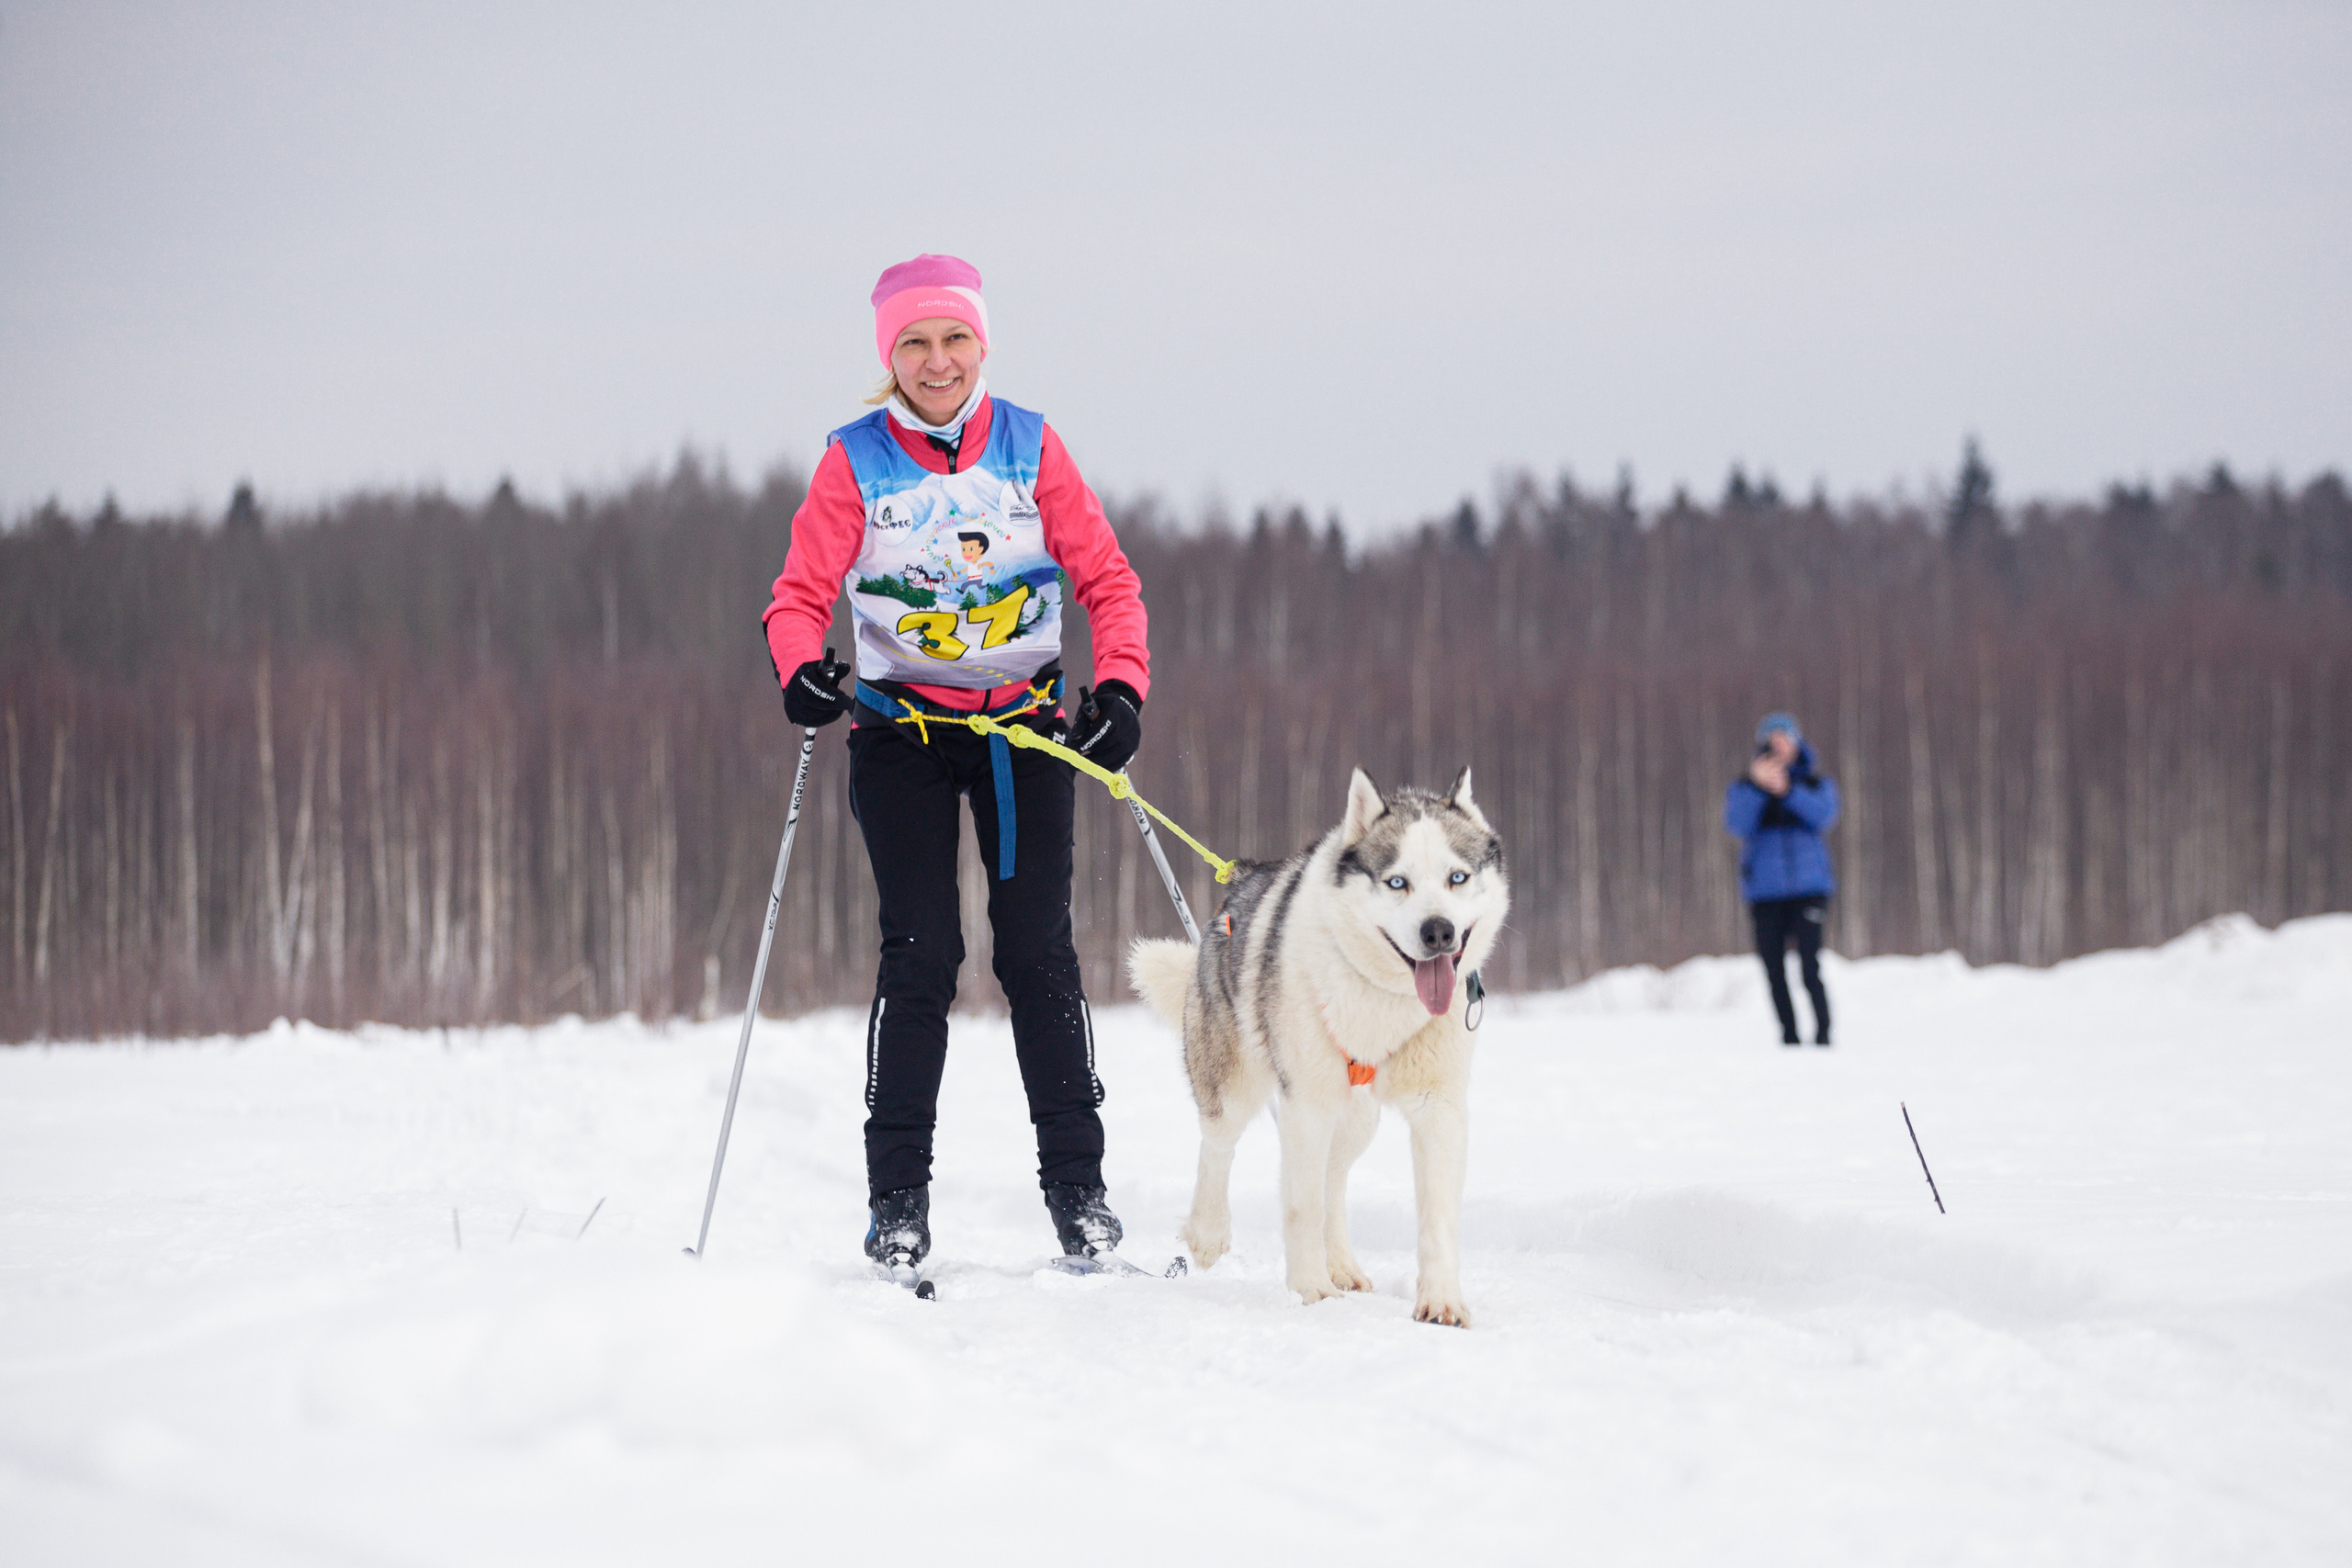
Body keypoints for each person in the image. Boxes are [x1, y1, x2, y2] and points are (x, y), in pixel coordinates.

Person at [763, 254, 1150, 1272]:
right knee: (921, 953)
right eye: (914, 344)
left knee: (1035, 953)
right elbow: (798, 597)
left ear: (982, 343)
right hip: (901, 738)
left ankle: (1080, 1194)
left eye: (954, 339)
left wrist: (1119, 690)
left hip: (1022, 733)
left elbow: (1107, 580)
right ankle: (898, 1205)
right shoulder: (855, 460)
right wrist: (800, 670)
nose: (937, 362)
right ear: (887, 357)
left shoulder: (1029, 445)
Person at [1723, 712, 1840, 1046]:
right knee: (1773, 969)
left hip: (1809, 889)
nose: (1779, 747)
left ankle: (1823, 1035)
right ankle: (1789, 1036)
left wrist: (1788, 791)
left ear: (1796, 743)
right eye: (1772, 741)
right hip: (1765, 892)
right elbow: (1736, 824)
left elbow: (1824, 815)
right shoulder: (1745, 788)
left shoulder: (1815, 783)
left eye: (1784, 740)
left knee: (1809, 965)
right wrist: (1760, 787)